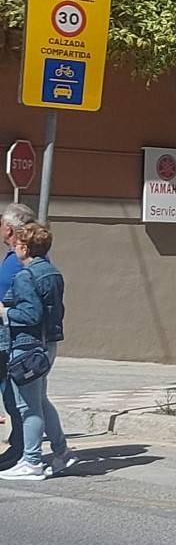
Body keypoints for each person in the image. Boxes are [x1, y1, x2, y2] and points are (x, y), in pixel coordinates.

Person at [0, 221, 76, 481]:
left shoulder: (25, 276)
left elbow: (30, 314)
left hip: (27, 345)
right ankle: (62, 451)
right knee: (41, 400)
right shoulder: (52, 272)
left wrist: (5, 311)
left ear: (24, 248)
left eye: (18, 245)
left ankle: (31, 461)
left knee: (28, 407)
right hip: (47, 343)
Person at [0, 203, 35, 469]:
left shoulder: (17, 262)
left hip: (8, 333)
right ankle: (20, 444)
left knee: (13, 392)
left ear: (9, 229)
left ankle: (22, 448)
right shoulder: (17, 258)